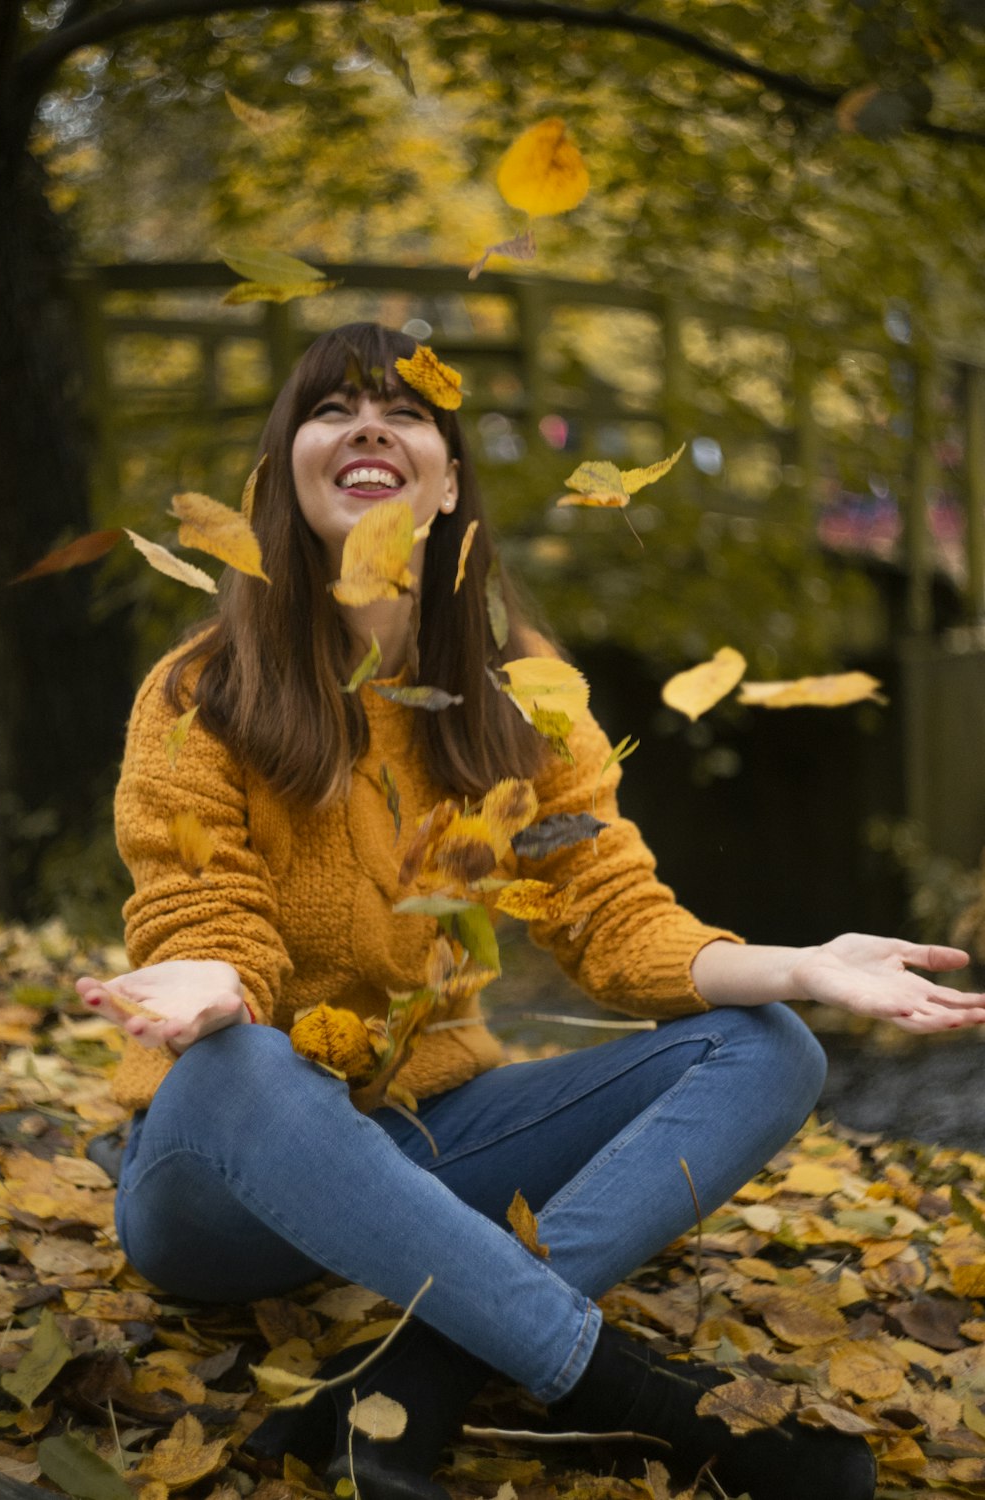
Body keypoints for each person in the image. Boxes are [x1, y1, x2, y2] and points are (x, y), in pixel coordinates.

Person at [78, 322, 985, 1500]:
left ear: (448, 479)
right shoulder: (203, 690)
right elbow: (200, 900)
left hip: (428, 1136)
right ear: (281, 476)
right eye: (329, 409)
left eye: (406, 412)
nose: (368, 425)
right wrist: (213, 974)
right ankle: (653, 1407)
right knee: (249, 1063)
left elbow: (611, 916)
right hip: (223, 1182)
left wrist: (797, 963)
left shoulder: (520, 703)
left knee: (768, 1046)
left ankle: (409, 1376)